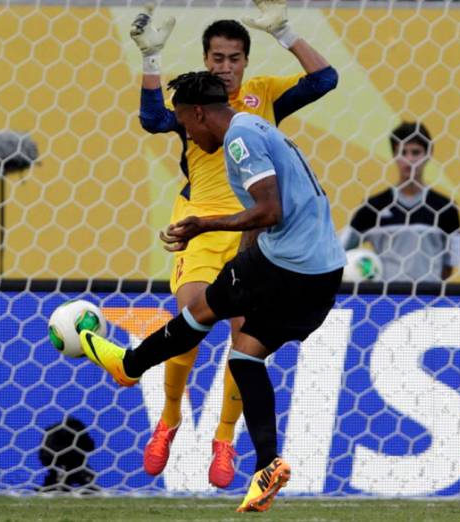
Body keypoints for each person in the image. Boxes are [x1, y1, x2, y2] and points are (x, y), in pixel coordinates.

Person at [80, 71, 345, 512]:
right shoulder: (257, 129)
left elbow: (270, 209)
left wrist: (204, 223)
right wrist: (240, 263)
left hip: (288, 266)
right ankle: (267, 466)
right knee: (245, 354)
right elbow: (262, 215)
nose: (186, 133)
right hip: (321, 274)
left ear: (199, 113)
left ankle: (129, 366)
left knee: (199, 313)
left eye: (185, 124)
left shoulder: (239, 140)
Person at [129, 0, 338, 488]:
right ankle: (170, 419)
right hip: (201, 222)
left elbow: (325, 81)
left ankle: (223, 439)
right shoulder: (196, 103)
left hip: (252, 230)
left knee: (244, 335)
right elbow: (153, 120)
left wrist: (285, 32)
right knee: (193, 316)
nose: (225, 67)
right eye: (217, 58)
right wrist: (151, 60)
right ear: (206, 60)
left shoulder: (262, 96)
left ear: (246, 60)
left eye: (234, 58)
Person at [341, 121, 460, 282]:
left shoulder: (446, 208)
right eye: (402, 152)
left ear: (428, 154)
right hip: (386, 301)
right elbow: (340, 249)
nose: (409, 159)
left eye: (415, 152)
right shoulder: (373, 207)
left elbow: (449, 266)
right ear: (394, 156)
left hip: (428, 302)